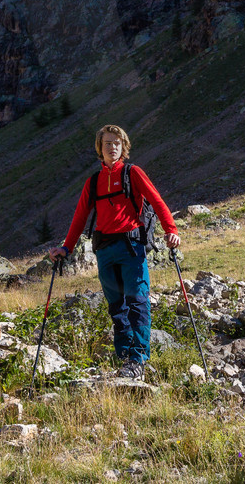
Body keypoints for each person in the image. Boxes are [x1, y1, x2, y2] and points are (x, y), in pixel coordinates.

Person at [50, 125, 181, 379]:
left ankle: (138, 358)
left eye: (117, 143)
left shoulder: (133, 173)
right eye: (108, 143)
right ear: (100, 148)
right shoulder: (93, 181)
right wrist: (66, 247)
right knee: (116, 306)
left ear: (124, 147)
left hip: (131, 246)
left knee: (138, 301)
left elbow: (157, 201)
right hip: (104, 250)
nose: (113, 147)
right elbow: (79, 218)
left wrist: (171, 230)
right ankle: (123, 356)